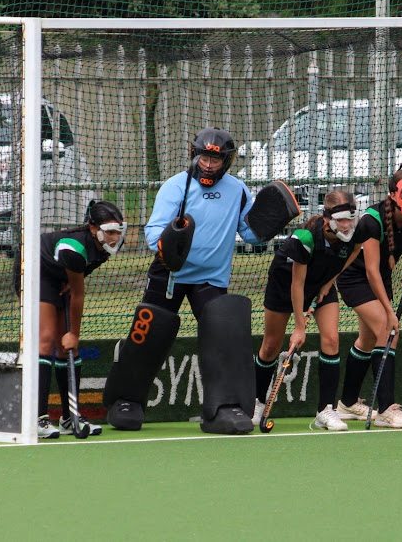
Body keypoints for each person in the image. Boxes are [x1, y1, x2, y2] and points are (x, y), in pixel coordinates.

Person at [104, 126, 265, 434]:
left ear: (227, 162)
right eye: (204, 157)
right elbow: (152, 234)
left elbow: (250, 234)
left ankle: (223, 409)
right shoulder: (175, 187)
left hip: (211, 277)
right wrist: (170, 244)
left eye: (215, 160)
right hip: (170, 274)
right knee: (148, 334)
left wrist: (273, 218)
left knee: (224, 337)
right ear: (195, 154)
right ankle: (125, 401)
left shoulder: (239, 190)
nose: (207, 164)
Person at [335, 164, 402, 428]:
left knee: (369, 338)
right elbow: (370, 271)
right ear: (394, 195)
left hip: (380, 278)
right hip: (354, 277)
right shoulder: (373, 221)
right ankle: (386, 409)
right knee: (388, 329)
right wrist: (390, 312)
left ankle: (347, 404)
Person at [253, 190, 368, 431]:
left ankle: (325, 410)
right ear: (328, 219)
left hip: (320, 285)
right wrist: (299, 326)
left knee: (332, 338)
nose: (347, 225)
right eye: (342, 220)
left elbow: (355, 252)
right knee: (271, 346)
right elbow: (297, 285)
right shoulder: (304, 238)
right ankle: (257, 402)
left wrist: (329, 282)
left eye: (351, 219)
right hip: (286, 286)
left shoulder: (355, 234)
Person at [14, 200, 126, 439]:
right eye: (110, 232)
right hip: (35, 271)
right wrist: (73, 333)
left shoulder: (104, 246)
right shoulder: (74, 249)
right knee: (46, 339)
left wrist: (72, 336)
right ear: (94, 229)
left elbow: (77, 281)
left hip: (60, 274)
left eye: (118, 231)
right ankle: (37, 418)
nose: (115, 237)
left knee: (66, 350)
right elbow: (78, 294)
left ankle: (69, 417)